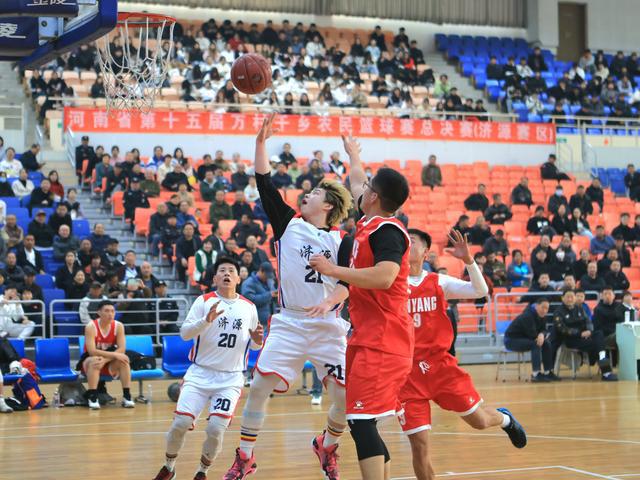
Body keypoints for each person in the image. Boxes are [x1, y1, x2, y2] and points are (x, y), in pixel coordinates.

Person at [224, 114, 352, 480]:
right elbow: (264, 183)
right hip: (291, 321)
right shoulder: (289, 223)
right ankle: (245, 457)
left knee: (345, 398)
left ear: (327, 206)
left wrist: (331, 300)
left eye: (314, 194)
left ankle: (327, 445)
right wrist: (260, 143)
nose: (306, 195)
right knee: (258, 388)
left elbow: (349, 285)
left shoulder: (342, 241)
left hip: (327, 324)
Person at [309, 133, 411, 480]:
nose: (361, 189)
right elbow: (356, 182)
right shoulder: (369, 221)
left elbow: (385, 276)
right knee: (362, 419)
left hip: (385, 339)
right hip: (368, 335)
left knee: (361, 419)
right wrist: (353, 155)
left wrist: (332, 270)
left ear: (375, 197)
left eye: (367, 187)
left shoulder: (387, 231)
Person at [398, 228, 526, 479]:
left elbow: (480, 291)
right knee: (419, 446)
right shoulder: (390, 282)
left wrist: (468, 260)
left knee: (479, 422)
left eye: (411, 241)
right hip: (407, 373)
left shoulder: (438, 281)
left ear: (425, 253)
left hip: (440, 367)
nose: (406, 244)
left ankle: (505, 420)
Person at [153, 256, 263, 480]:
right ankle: (169, 467)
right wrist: (206, 321)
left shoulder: (249, 307)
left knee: (215, 429)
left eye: (231, 270)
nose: (226, 273)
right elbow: (185, 333)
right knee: (180, 423)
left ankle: (202, 471)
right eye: (222, 270)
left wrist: (258, 341)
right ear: (214, 278)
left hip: (230, 379)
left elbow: (253, 345)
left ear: (238, 278)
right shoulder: (203, 301)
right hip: (200, 374)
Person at [78, 301, 135, 409]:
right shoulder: (91, 326)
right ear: (99, 312)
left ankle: (127, 396)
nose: (110, 314)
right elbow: (92, 351)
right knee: (95, 360)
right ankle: (93, 397)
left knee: (124, 361)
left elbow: (121, 349)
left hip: (109, 361)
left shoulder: (119, 326)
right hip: (90, 360)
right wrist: (112, 356)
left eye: (112, 311)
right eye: (107, 311)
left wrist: (105, 360)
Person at [552, 289, 617, 381]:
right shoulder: (558, 312)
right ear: (562, 298)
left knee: (599, 334)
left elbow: (588, 321)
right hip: (571, 340)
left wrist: (589, 331)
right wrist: (579, 333)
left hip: (585, 336)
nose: (570, 299)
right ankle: (606, 372)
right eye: (567, 297)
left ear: (575, 298)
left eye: (572, 297)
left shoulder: (579, 308)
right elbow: (562, 329)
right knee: (599, 345)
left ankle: (603, 368)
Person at [505, 298, 557, 381]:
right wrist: (541, 335)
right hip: (511, 340)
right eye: (543, 307)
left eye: (547, 308)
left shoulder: (542, 315)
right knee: (535, 344)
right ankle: (536, 374)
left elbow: (544, 330)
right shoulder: (528, 316)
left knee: (547, 343)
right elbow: (532, 334)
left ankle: (548, 372)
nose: (544, 310)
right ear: (536, 306)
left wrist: (542, 334)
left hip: (525, 338)